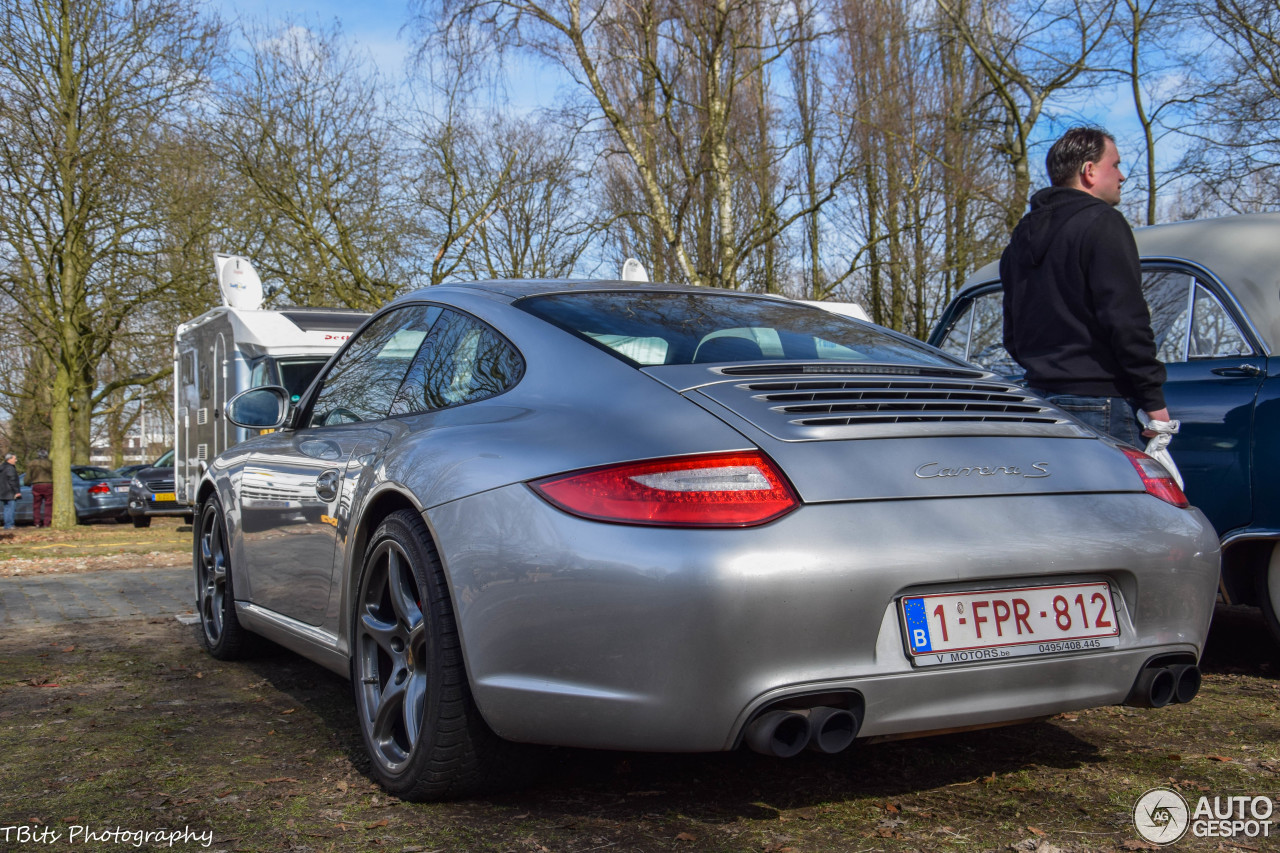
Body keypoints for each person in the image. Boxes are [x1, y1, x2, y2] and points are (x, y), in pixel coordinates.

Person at [1000, 125, 1170, 446]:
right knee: (1120, 498)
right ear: (1089, 171)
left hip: (1038, 401)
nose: (1121, 177)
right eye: (1115, 165)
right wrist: (1153, 398)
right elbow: (1126, 318)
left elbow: (1012, 330)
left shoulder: (1021, 236)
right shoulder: (1102, 222)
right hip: (1102, 401)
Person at [25, 448, 53, 529]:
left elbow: (28, 476)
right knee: (48, 504)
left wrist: (27, 483)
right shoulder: (50, 463)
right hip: (48, 484)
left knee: (36, 505)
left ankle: (37, 522)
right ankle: (46, 523)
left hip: (36, 485)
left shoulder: (32, 463)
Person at [0, 453, 20, 530]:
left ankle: (7, 524)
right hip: (10, 492)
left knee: (6, 508)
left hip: (3, 492)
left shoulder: (2, 467)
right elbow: (12, 480)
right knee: (10, 508)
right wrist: (17, 491)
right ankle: (9, 525)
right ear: (9, 459)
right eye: (14, 459)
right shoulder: (10, 468)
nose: (16, 460)